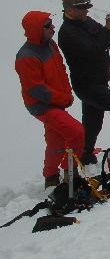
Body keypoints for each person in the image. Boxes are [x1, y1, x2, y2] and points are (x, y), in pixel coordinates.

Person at [58, 0, 110, 164]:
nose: (86, 11)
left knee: (93, 122)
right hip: (87, 84)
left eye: (87, 7)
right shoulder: (67, 32)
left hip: (97, 81)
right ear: (69, 9)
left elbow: (107, 41)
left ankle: (85, 153)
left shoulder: (84, 22)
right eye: (82, 8)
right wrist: (108, 30)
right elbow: (93, 49)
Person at [15, 11, 85, 188]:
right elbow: (37, 89)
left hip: (56, 102)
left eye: (51, 23)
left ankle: (51, 176)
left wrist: (67, 92)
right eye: (47, 25)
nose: (52, 27)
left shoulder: (50, 44)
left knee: (56, 140)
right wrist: (63, 98)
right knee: (76, 132)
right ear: (35, 29)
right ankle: (70, 170)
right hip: (42, 105)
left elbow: (61, 69)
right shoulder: (26, 56)